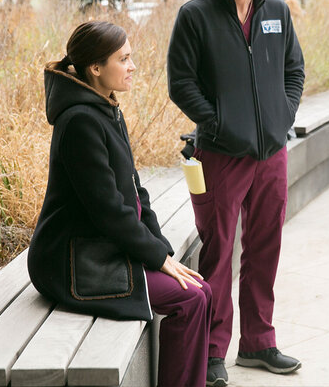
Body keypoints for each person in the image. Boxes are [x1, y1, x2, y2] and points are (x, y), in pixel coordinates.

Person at [28, 21, 211, 387]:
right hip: (74, 261)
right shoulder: (80, 121)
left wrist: (162, 251)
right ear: (95, 68)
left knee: (201, 290)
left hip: (103, 245)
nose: (132, 66)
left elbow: (135, 190)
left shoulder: (106, 107)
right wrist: (157, 259)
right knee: (192, 299)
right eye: (123, 59)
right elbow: (108, 209)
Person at [167, 0, 305, 386]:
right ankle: (211, 351)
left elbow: (294, 71)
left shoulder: (277, 11)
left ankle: (259, 343)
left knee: (265, 249)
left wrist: (281, 118)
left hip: (271, 154)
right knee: (219, 251)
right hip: (220, 155)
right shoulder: (196, 15)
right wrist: (219, 123)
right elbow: (180, 83)